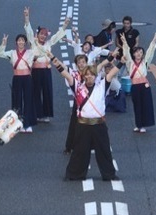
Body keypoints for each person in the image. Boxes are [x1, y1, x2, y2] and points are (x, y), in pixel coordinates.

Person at [47, 51, 125, 181]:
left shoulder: (102, 86)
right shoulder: (77, 86)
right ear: (84, 76)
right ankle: (74, 174)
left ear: (95, 76)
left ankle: (109, 175)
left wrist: (122, 61)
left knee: (104, 150)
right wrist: (53, 58)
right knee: (79, 151)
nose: (89, 77)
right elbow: (65, 73)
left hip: (99, 124)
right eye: (87, 75)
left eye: (91, 75)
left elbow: (112, 73)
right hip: (83, 125)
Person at [24, 7, 70, 123]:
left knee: (47, 91)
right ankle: (37, 114)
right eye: (41, 34)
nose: (43, 36)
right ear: (37, 34)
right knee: (35, 92)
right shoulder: (33, 42)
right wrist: (27, 17)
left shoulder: (49, 43)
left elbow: (57, 36)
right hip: (35, 71)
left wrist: (64, 25)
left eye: (45, 34)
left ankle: (46, 114)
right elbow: (28, 31)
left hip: (46, 70)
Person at [0, 33, 36, 133]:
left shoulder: (30, 52)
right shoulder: (12, 53)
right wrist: (3, 43)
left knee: (28, 100)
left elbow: (41, 52)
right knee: (17, 101)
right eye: (19, 40)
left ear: (25, 42)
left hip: (27, 78)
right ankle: (17, 124)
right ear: (16, 42)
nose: (21, 42)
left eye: (23, 40)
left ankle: (28, 124)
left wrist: (35, 41)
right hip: (17, 78)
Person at [121, 32, 156, 133]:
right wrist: (124, 42)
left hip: (145, 86)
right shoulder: (130, 63)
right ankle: (138, 125)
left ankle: (144, 126)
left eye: (141, 53)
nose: (139, 54)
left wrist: (153, 41)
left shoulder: (145, 62)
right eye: (137, 52)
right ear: (134, 54)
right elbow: (126, 53)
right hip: (135, 86)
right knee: (137, 105)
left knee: (145, 105)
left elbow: (150, 53)